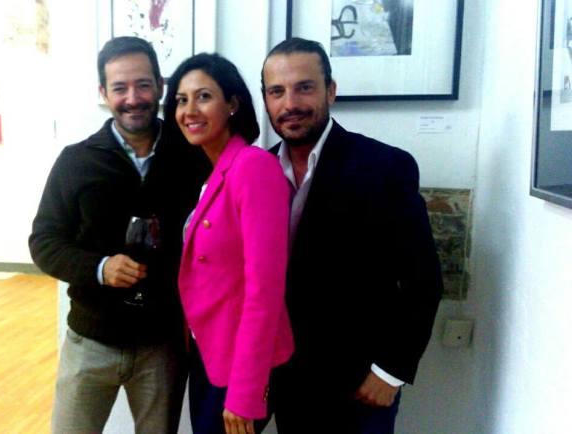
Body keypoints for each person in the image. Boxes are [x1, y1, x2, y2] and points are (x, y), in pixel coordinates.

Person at [260, 37, 444, 434]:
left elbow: (423, 280)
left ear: (330, 91)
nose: (290, 103)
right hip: (283, 381)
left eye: (304, 87)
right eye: (277, 91)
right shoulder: (257, 171)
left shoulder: (384, 167)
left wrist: (390, 371)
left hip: (358, 386)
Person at [29, 36, 205, 433]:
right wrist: (99, 267)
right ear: (103, 93)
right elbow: (43, 242)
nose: (133, 98)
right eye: (120, 87)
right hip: (89, 342)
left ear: (160, 86)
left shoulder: (192, 155)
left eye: (143, 85)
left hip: (162, 345)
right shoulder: (76, 160)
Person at [163, 53, 294, 434]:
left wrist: (245, 392)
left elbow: (265, 290)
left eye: (203, 96)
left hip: (241, 365)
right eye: (181, 100)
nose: (189, 110)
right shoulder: (214, 173)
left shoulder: (253, 167)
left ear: (232, 104)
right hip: (209, 354)